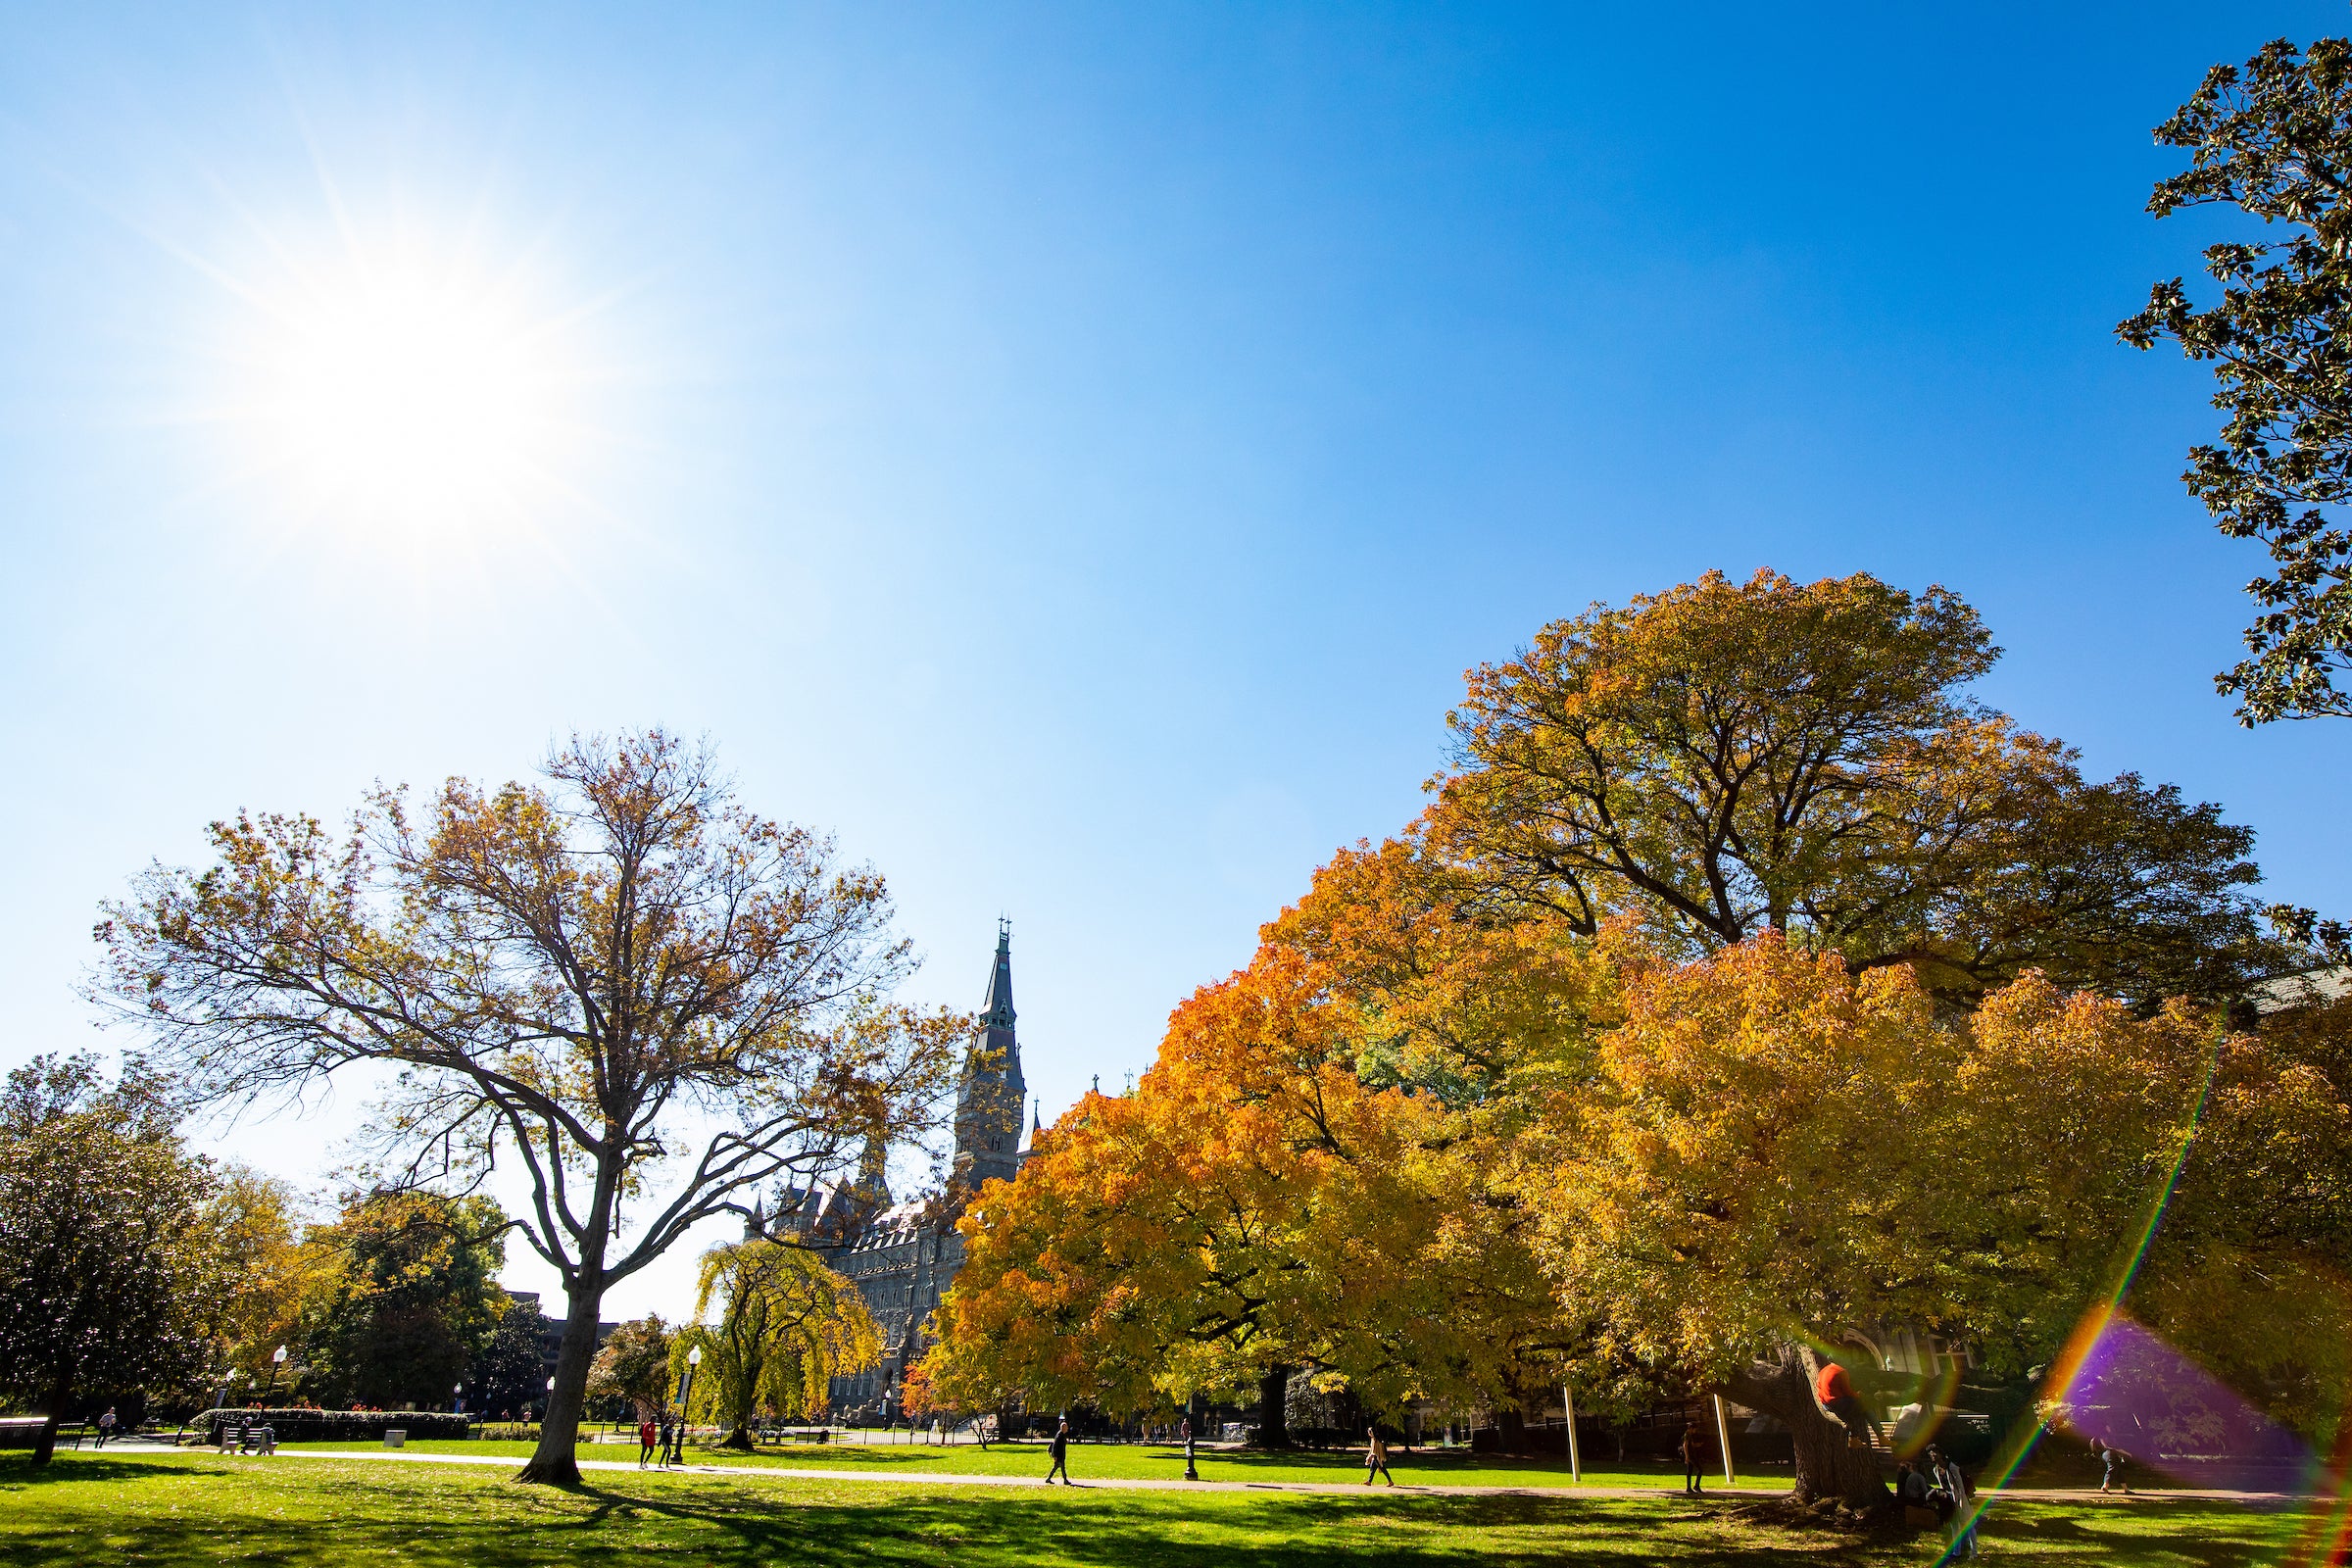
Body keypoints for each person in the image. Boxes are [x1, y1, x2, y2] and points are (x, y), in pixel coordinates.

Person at [1812, 1361, 1883, 1451]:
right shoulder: (1841, 1371)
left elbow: (1819, 1389)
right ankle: (1880, 1436)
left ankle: (1854, 1439)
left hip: (1826, 1404)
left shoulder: (1823, 1371)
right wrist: (1858, 1395)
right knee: (1865, 1404)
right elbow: (1848, 1391)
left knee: (1852, 1413)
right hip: (1838, 1402)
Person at [1929, 1444, 1978, 1559]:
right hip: (1949, 1500)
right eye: (1930, 1453)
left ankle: (1974, 1552)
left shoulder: (1952, 1467)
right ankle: (1956, 1552)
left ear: (1940, 1454)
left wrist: (1961, 1503)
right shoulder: (1936, 1470)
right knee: (1954, 1526)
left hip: (1961, 1500)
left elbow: (1960, 1487)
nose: (1932, 1455)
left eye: (1934, 1452)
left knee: (1968, 1525)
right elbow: (1943, 1486)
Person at [1680, 1420, 1709, 1495]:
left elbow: (1691, 1445)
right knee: (1700, 1470)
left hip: (1691, 1454)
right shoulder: (1687, 1435)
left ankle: (1689, 1487)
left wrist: (1697, 1445)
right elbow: (1685, 1445)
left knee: (1689, 1471)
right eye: (1695, 1429)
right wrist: (1687, 1456)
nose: (1695, 1431)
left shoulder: (1689, 1435)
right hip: (1690, 1455)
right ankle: (1696, 1486)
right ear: (1691, 1428)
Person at [1045, 1417, 1071, 1485]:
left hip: (1060, 1455)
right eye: (1066, 1427)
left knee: (1057, 1467)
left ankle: (1049, 1478)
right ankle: (1065, 1480)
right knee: (1061, 1467)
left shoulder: (1061, 1435)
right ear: (1063, 1428)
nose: (1067, 1428)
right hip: (1059, 1455)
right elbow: (1055, 1446)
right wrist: (1055, 1455)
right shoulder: (1060, 1435)